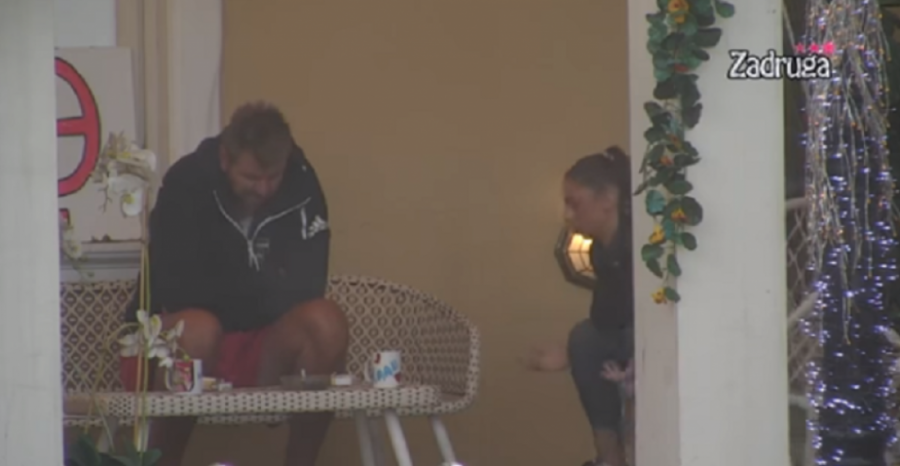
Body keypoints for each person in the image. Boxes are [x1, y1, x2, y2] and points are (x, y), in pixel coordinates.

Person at [120, 102, 349, 466]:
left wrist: (244, 289)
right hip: (169, 349)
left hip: (260, 344)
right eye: (252, 177)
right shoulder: (186, 181)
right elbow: (177, 288)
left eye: (273, 176)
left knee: (326, 321)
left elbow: (309, 283)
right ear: (225, 158)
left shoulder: (302, 180)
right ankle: (163, 461)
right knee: (197, 329)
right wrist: (265, 286)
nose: (264, 188)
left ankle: (301, 462)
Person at [525, 146, 634, 466]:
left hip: (644, 343)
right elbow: (604, 317)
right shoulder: (599, 251)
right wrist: (571, 353)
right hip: (616, 337)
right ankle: (609, 457)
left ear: (608, 199)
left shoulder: (639, 243)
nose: (568, 215)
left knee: (604, 340)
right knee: (584, 338)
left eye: (575, 203)